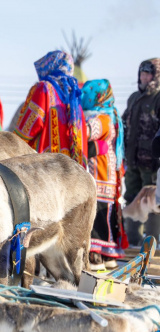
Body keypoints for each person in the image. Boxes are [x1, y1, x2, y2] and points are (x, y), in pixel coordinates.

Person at [81, 79, 127, 269]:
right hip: (105, 177)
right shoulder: (109, 115)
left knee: (98, 218)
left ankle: (97, 255)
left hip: (99, 176)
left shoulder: (102, 118)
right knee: (104, 217)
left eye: (87, 93)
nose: (84, 96)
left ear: (97, 97)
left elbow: (85, 133)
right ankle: (105, 257)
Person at [13, 50, 87, 167]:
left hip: (45, 166)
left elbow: (31, 125)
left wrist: (13, 143)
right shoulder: (75, 96)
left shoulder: (44, 88)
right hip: (70, 168)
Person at [123, 58, 160, 246]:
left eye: (148, 74)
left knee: (152, 200)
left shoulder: (158, 97)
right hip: (132, 159)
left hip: (152, 161)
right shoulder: (133, 98)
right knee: (131, 197)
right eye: (142, 74)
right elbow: (123, 124)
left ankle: (152, 241)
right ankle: (132, 240)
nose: (144, 77)